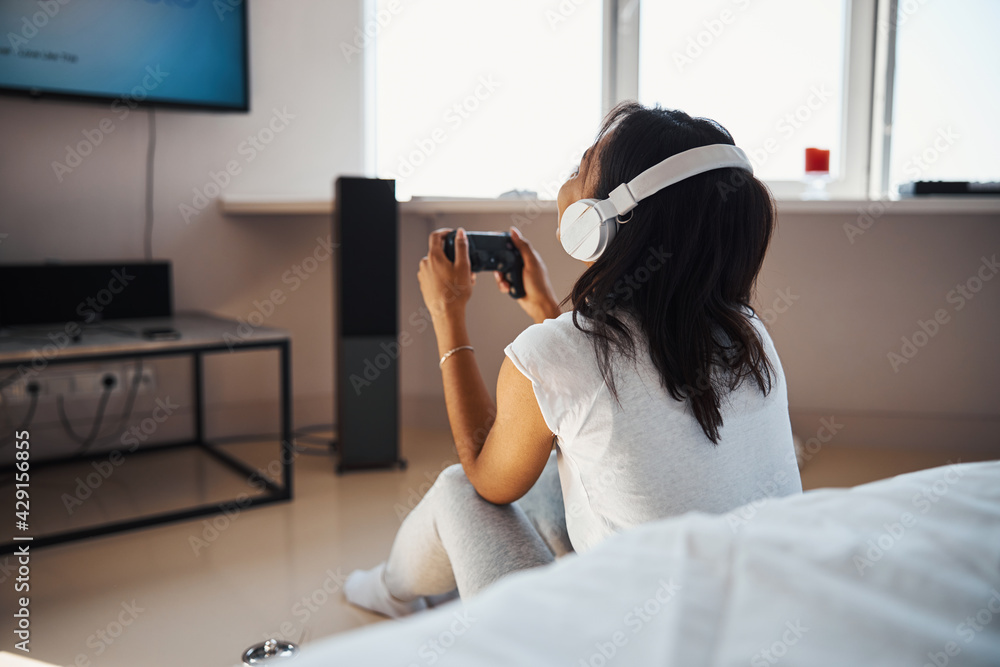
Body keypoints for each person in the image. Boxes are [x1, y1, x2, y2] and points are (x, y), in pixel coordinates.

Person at [344, 102, 802, 618]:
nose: (567, 179)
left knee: (459, 489)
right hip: (746, 618)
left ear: (597, 221)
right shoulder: (750, 335)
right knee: (555, 475)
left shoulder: (554, 354)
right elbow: (596, 384)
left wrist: (447, 315)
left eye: (579, 169)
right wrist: (541, 305)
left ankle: (392, 592)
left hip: (602, 644)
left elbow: (486, 478)